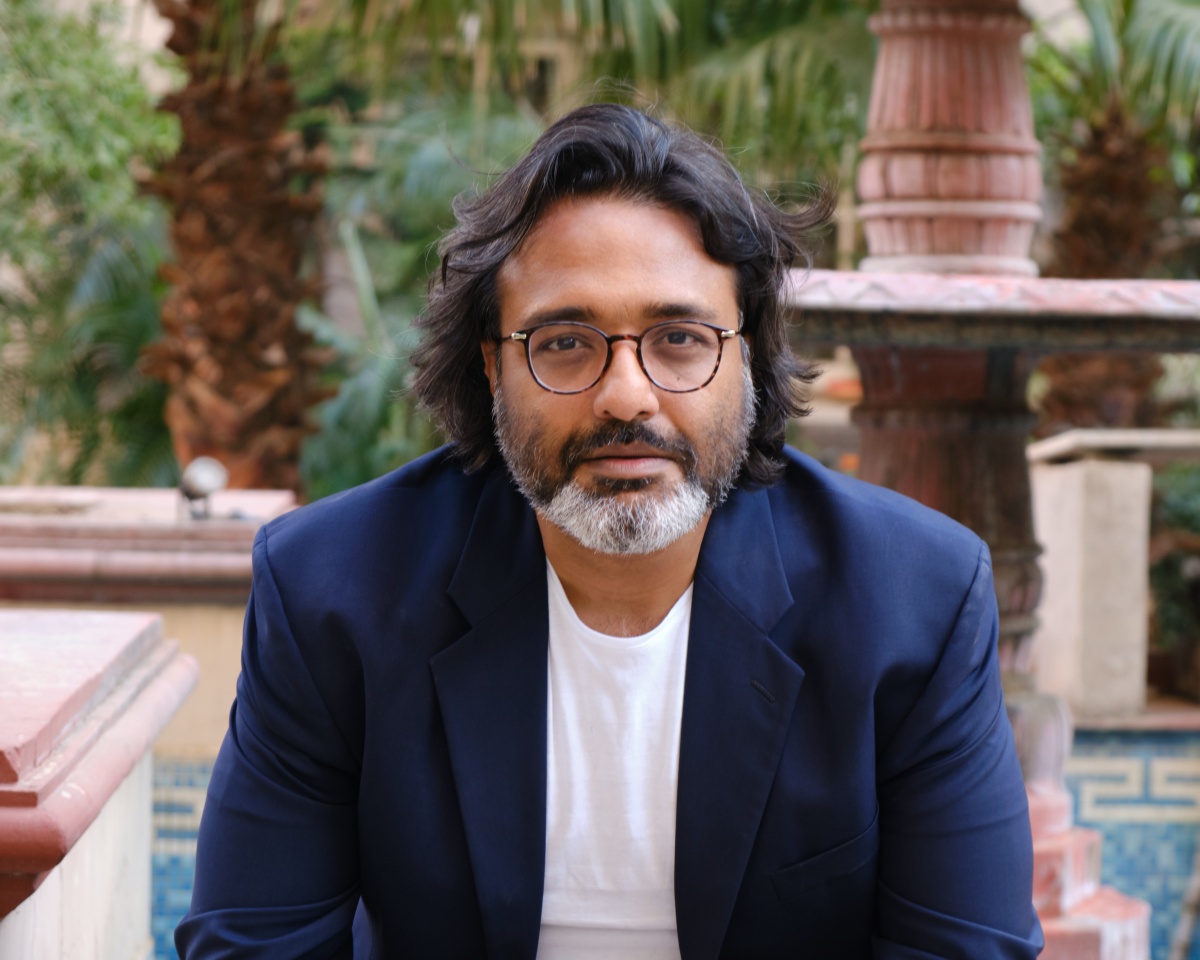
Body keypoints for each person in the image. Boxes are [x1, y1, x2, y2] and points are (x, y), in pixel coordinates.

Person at [177, 103, 1043, 960]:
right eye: (565, 342)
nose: (626, 395)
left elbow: (964, 947)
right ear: (494, 367)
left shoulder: (913, 603)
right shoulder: (332, 592)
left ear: (745, 354)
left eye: (679, 338)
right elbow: (254, 944)